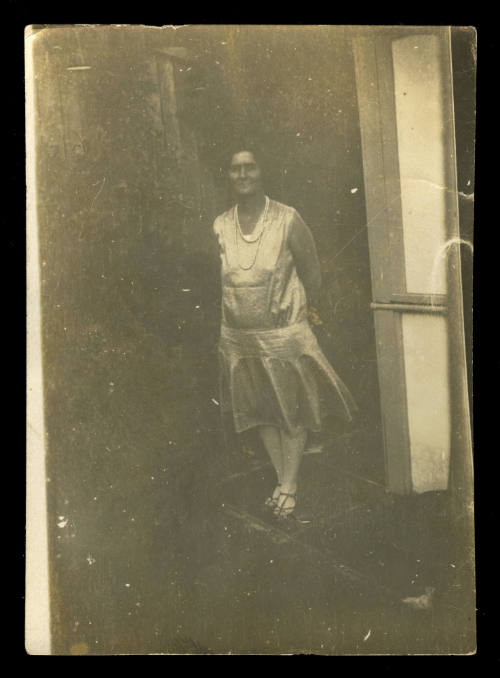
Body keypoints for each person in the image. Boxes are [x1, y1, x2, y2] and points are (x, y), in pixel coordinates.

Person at [213, 146, 357, 519]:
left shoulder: (288, 219)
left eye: (250, 167)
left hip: (284, 333)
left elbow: (312, 273)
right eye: (235, 169)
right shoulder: (220, 225)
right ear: (228, 176)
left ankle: (289, 486)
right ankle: (283, 481)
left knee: (291, 410)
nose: (242, 175)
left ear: (263, 172)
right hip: (239, 336)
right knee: (259, 410)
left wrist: (301, 317)